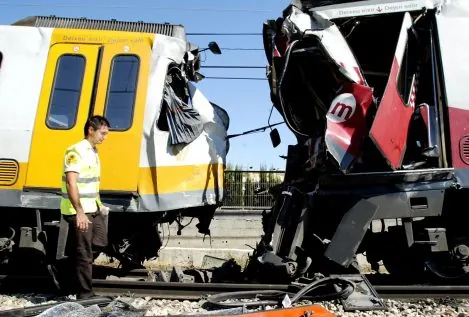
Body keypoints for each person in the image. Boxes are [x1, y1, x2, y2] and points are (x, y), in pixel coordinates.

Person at [60, 115, 111, 299]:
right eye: (103, 133)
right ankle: (85, 293)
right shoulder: (75, 151)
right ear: (91, 130)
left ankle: (67, 269)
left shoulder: (93, 151)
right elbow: (71, 183)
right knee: (84, 253)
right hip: (78, 210)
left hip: (93, 208)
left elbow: (91, 183)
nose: (105, 137)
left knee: (100, 242)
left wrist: (100, 205)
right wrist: (80, 213)